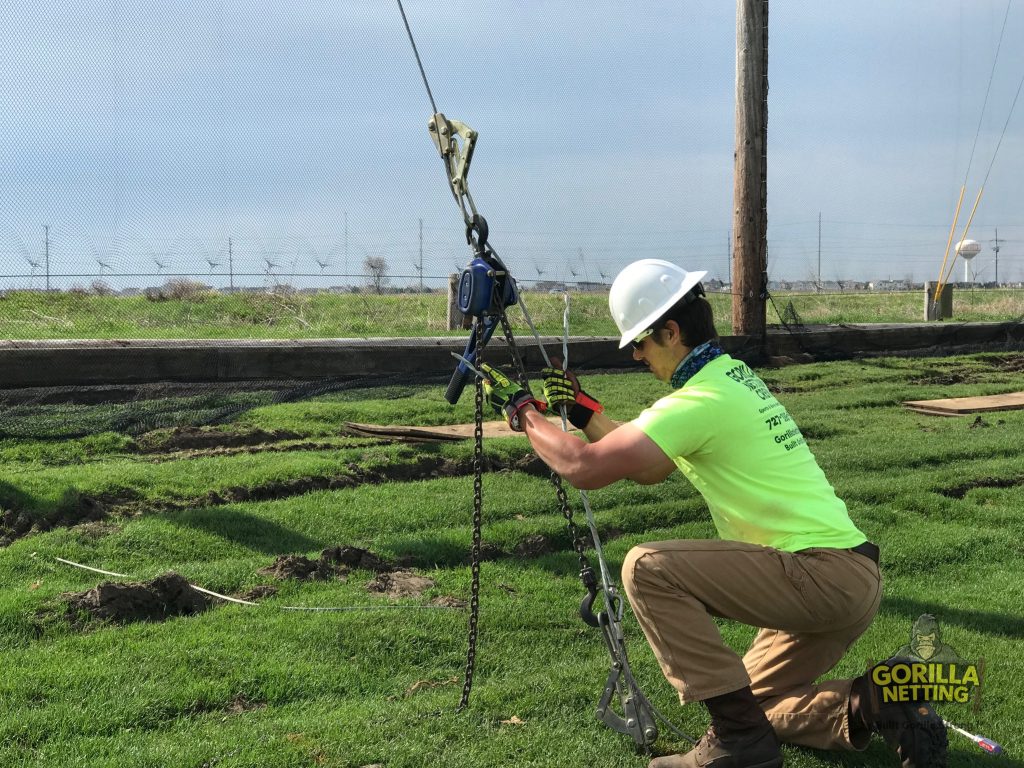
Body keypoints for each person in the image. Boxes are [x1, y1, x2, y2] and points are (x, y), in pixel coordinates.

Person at [480, 259, 947, 768]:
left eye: (639, 342)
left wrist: (523, 411)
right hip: (847, 576)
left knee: (647, 567)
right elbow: (649, 465)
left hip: (817, 575)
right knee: (748, 702)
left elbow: (582, 465)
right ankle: (877, 703)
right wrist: (584, 413)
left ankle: (738, 745)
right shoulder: (730, 378)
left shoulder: (699, 401)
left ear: (671, 331)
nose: (636, 355)